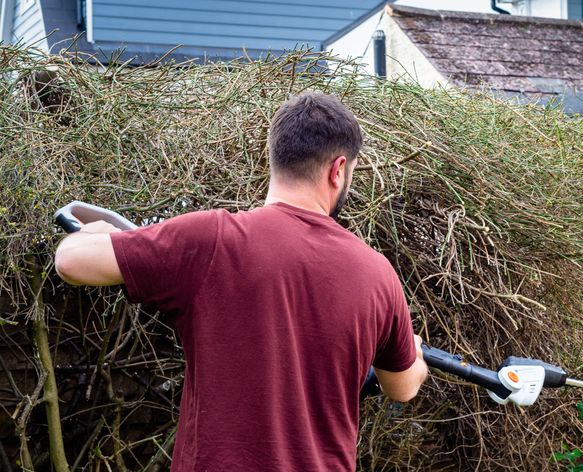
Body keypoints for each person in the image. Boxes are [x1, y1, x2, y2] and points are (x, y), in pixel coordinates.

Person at [54, 92, 429, 471]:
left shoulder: (212, 239)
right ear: (338, 169)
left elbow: (70, 261)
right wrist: (412, 352)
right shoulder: (377, 274)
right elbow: (403, 387)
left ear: (276, 158)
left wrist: (94, 231)